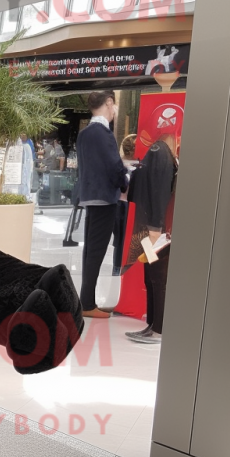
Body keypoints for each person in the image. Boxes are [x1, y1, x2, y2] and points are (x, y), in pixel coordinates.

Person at [74, 90, 129, 318]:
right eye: (114, 105)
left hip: (89, 196)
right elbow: (115, 167)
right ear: (109, 102)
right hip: (105, 198)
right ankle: (87, 304)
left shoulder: (84, 134)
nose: (115, 111)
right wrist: (125, 182)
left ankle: (86, 301)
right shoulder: (103, 133)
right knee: (96, 251)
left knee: (90, 250)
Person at [125, 134, 178, 344]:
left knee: (156, 276)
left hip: (154, 229)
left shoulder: (159, 153)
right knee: (152, 275)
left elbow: (158, 191)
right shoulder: (164, 154)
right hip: (154, 227)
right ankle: (153, 325)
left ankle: (157, 329)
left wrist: (156, 225)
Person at [112, 135, 139, 275]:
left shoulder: (118, 163)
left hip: (118, 204)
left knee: (119, 241)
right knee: (126, 240)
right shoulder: (138, 165)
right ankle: (123, 269)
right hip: (129, 205)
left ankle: (117, 268)